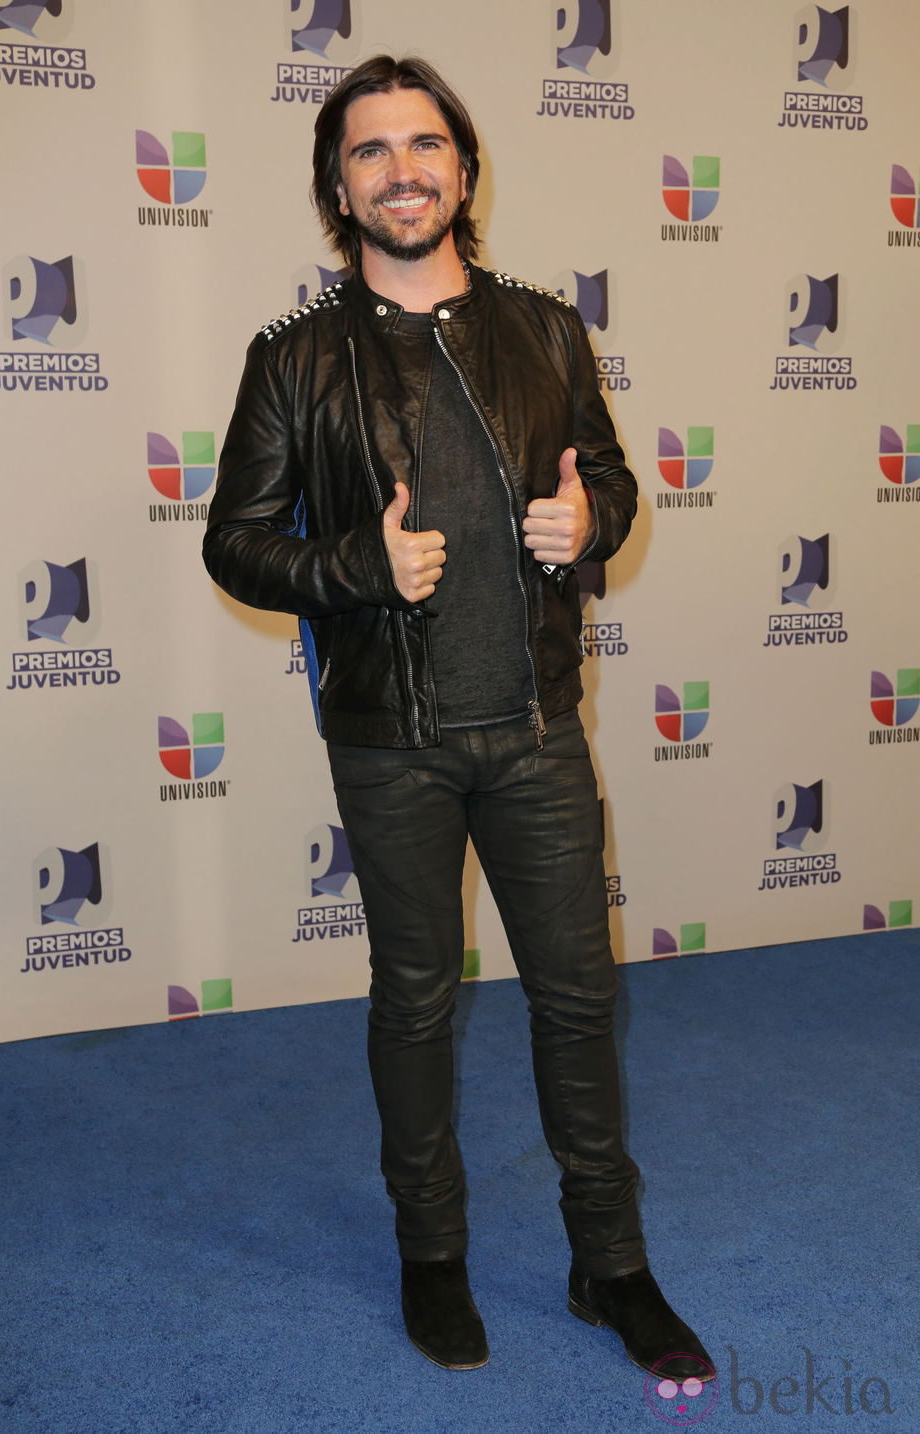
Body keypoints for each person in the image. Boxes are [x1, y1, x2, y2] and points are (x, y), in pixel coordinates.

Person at [203, 54, 714, 1382]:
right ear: (337, 184)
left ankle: (611, 1265)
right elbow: (238, 545)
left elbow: (603, 474)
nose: (401, 169)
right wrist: (360, 567)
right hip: (392, 738)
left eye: (423, 144)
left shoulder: (545, 332)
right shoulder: (294, 360)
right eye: (369, 151)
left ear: (465, 169)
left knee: (578, 998)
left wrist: (591, 515)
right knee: (415, 1000)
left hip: (537, 727)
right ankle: (431, 1253)